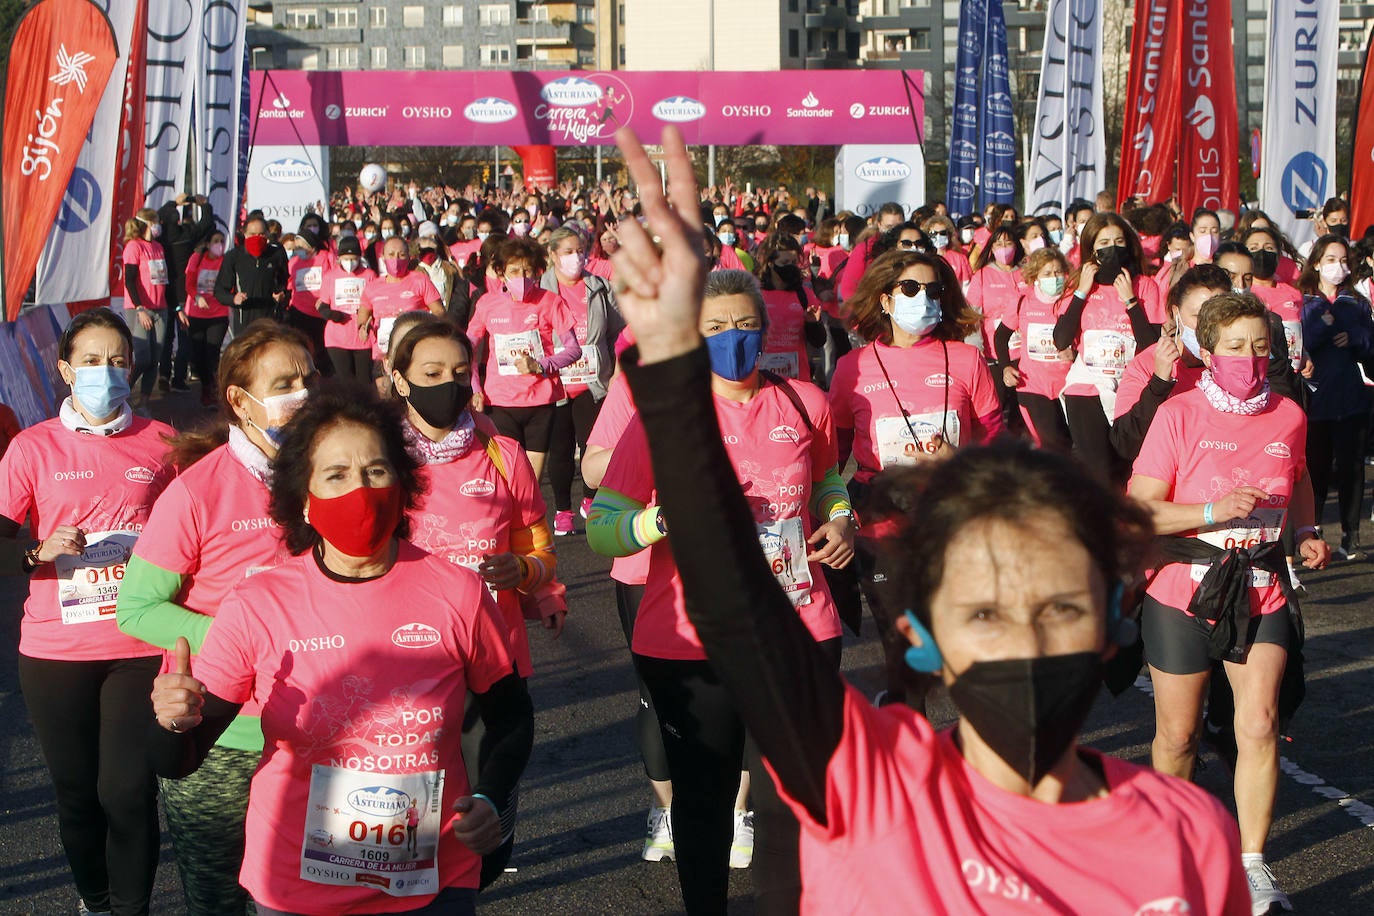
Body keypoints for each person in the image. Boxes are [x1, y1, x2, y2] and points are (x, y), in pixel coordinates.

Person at [605, 124, 1251, 916]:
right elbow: (738, 612)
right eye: (983, 612)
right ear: (919, 634)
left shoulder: (1192, 833)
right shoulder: (867, 785)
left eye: (1061, 607)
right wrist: (674, 366)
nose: (1025, 639)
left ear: (1118, 619)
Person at [146, 386, 535, 916]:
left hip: (433, 882)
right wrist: (174, 721)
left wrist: (490, 797)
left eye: (377, 471)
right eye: (337, 475)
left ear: (403, 485)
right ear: (304, 499)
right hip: (295, 889)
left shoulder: (458, 591)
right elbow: (177, 761)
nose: (361, 489)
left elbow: (511, 718)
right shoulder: (259, 602)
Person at [590, 267, 856, 915]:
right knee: (705, 799)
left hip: (797, 621)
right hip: (689, 635)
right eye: (714, 328)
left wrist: (841, 520)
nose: (732, 338)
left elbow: (825, 482)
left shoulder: (804, 402)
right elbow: (603, 529)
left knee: (795, 793)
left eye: (743, 325)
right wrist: (661, 520)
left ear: (763, 331)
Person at [1128, 293, 1329, 916]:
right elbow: (1140, 508)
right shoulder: (1179, 414)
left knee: (1260, 724)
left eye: (1262, 346)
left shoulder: (1290, 414)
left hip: (1262, 583)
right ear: (1207, 351)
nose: (1251, 358)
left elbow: (1299, 481)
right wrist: (1212, 511)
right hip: (1184, 586)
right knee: (1179, 735)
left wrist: (1304, 533)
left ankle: (1251, 864)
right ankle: (1170, 854)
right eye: (1237, 346)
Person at [116, 322, 314, 916]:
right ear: (238, 399)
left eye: (307, 379)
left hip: (317, 728)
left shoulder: (329, 477)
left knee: (312, 896)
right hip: (221, 740)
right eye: (284, 383)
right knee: (219, 901)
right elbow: (137, 608)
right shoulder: (198, 492)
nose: (301, 394)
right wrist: (238, 641)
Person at [0, 308, 175, 916]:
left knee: (126, 792)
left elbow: (198, 533)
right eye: (94, 361)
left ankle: (131, 909)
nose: (107, 372)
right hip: (54, 652)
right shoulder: (33, 447)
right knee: (77, 796)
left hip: (138, 644)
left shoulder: (162, 443)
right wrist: (35, 553)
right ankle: (95, 901)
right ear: (65, 370)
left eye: (119, 360)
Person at [828, 248, 1002, 706]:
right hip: (881, 521)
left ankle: (976, 753)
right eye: (909, 288)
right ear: (884, 299)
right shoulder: (853, 367)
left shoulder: (965, 359)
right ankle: (912, 739)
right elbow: (833, 456)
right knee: (901, 644)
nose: (922, 298)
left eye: (933, 290)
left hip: (951, 521)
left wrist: (959, 461)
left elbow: (994, 440)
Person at [581, 376, 675, 862]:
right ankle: (667, 811)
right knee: (656, 697)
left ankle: (737, 813)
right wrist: (644, 443)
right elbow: (593, 469)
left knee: (737, 691)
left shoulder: (760, 386)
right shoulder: (636, 379)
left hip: (729, 565)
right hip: (644, 564)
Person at [1053, 213, 1163, 484]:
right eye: (1103, 242)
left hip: (1129, 388)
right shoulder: (1079, 288)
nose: (1112, 248)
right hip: (1086, 388)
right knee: (1097, 472)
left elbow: (1150, 345)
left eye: (1118, 241)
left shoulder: (1145, 286)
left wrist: (1131, 301)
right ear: (1091, 249)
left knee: (1125, 468)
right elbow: (1061, 339)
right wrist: (1081, 292)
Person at [466, 236, 582, 482]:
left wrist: (540, 365)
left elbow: (574, 350)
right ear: (501, 273)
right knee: (508, 478)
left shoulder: (550, 301)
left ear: (538, 271)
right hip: (501, 402)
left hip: (540, 402)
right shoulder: (487, 304)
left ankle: (529, 521)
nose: (522, 276)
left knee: (530, 482)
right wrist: (475, 388)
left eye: (528, 270)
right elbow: (467, 350)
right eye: (514, 271)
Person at [540, 227, 623, 532]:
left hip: (594, 382)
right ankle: (562, 510)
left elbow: (620, 334)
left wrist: (617, 371)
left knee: (593, 445)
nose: (576, 257)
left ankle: (590, 498)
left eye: (580, 250)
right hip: (556, 382)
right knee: (560, 449)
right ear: (553, 255)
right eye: (568, 252)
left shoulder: (599, 287)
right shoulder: (541, 290)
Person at [1298, 235, 1374, 560]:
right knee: (1314, 469)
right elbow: (1300, 338)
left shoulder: (1356, 303)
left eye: (1343, 261)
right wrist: (1326, 322)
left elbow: (1371, 341)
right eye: (1330, 259)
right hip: (1315, 402)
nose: (1338, 267)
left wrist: (1355, 336)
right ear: (1316, 262)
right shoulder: (1302, 302)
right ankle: (1312, 530)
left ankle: (1350, 533)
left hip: (1351, 399)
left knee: (1351, 468)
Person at [996, 247, 1073, 452]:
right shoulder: (1023, 300)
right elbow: (1001, 336)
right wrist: (1005, 367)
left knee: (1073, 446)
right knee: (1051, 447)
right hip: (1033, 386)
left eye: (1058, 272)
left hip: (1069, 385)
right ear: (1035, 276)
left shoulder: (1072, 300)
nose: (1054, 277)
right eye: (1047, 273)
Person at [355, 235, 446, 366]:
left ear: (409, 257)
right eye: (391, 255)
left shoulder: (420, 280)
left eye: (401, 255)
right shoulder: (372, 287)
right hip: (383, 354)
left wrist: (426, 328)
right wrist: (363, 327)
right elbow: (363, 314)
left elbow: (439, 311)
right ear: (383, 258)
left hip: (413, 351)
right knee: (384, 386)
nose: (396, 260)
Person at [156, 193, 215, 391]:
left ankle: (164, 374)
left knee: (166, 338)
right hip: (183, 293)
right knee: (184, 337)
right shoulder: (187, 234)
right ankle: (178, 378)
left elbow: (161, 213)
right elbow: (207, 223)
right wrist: (203, 204)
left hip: (165, 291)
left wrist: (175, 201)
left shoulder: (161, 237)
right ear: (179, 220)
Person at [122, 207, 170, 408]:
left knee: (155, 358)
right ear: (148, 224)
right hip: (140, 309)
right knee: (142, 357)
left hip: (160, 308)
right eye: (156, 222)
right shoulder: (134, 246)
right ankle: (123, 392)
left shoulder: (158, 247)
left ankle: (143, 402)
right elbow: (130, 280)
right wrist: (140, 308)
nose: (159, 226)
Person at [315, 235, 379, 382]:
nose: (350, 263)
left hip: (362, 336)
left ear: (359, 257)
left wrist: (368, 322)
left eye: (354, 258)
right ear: (339, 258)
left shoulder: (369, 275)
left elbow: (375, 304)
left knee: (364, 381)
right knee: (346, 381)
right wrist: (332, 314)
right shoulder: (330, 277)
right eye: (346, 258)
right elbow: (322, 305)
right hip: (337, 337)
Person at [214, 216, 289, 337]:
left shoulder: (276, 254)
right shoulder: (234, 257)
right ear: (244, 234)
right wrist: (233, 299)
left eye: (261, 234)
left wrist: (282, 294)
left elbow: (285, 282)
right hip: (244, 321)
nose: (257, 238)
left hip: (270, 319)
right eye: (252, 234)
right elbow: (220, 291)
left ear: (267, 234)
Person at [1244, 228, 1306, 373]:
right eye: (1254, 248)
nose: (1262, 253)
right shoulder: (1243, 293)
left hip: (1291, 374)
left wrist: (1305, 354)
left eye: (1268, 248)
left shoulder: (1293, 293)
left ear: (1278, 255)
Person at [182, 230, 230, 407]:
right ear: (208, 244)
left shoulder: (225, 260)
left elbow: (229, 284)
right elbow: (188, 284)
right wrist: (196, 297)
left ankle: (213, 391)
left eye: (222, 241)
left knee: (213, 354)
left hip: (218, 313)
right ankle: (205, 385)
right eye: (216, 241)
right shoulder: (197, 258)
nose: (219, 245)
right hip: (197, 313)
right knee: (197, 355)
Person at [284, 230, 335, 371]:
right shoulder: (293, 262)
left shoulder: (327, 257)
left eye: (301, 247)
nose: (297, 250)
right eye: (296, 247)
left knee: (322, 351)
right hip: (300, 310)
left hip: (321, 311)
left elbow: (335, 278)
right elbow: (289, 284)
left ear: (312, 247)